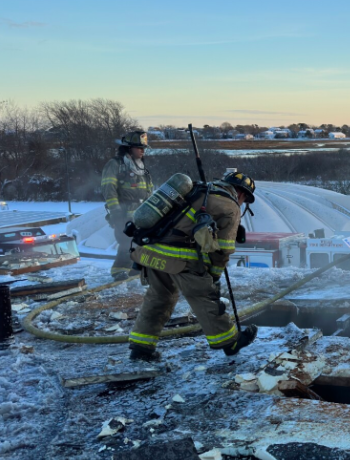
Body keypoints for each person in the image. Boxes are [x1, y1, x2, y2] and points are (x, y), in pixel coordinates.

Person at [127, 171, 258, 362]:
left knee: (158, 298)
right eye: (244, 199)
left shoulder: (198, 190)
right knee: (204, 296)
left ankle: (141, 348)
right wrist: (213, 276)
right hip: (181, 257)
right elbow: (224, 250)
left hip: (151, 252)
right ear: (241, 194)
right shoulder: (230, 206)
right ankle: (230, 342)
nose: (242, 203)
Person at [102, 131, 154, 280]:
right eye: (139, 147)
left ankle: (135, 272)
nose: (142, 150)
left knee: (140, 244)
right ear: (128, 148)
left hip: (141, 216)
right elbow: (108, 190)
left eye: (143, 148)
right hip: (123, 214)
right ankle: (119, 272)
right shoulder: (115, 164)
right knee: (126, 243)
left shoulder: (142, 167)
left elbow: (148, 192)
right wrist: (116, 212)